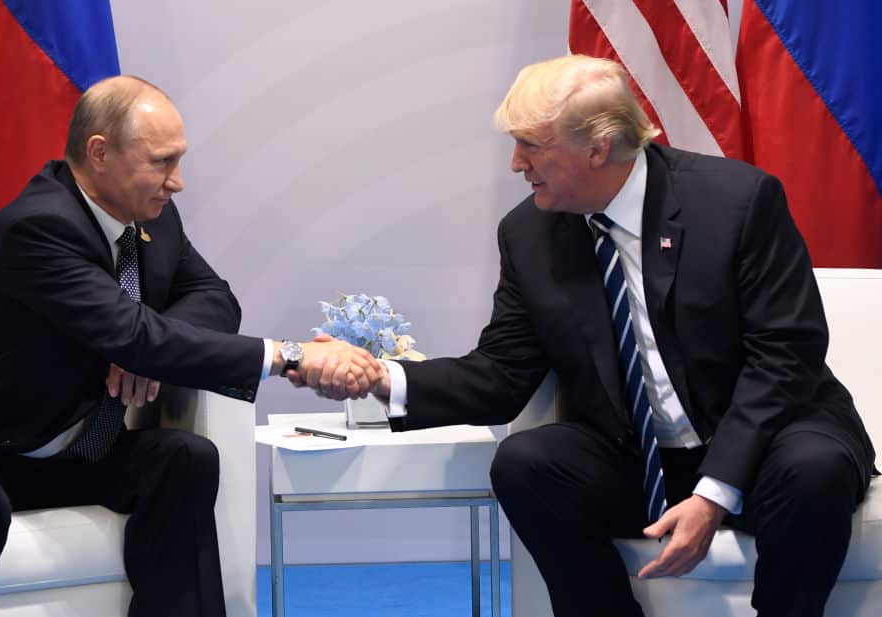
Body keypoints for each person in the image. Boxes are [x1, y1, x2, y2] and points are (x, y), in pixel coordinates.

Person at [304, 55, 875, 616]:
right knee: (527, 462)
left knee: (813, 469)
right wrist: (382, 379)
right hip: (639, 456)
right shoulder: (529, 234)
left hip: (767, 440)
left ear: (598, 148)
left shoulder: (737, 202)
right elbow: (502, 373)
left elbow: (785, 357)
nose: (515, 163)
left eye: (531, 144)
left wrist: (713, 492)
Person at [0, 75, 380, 617]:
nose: (177, 181)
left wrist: (143, 350)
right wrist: (292, 355)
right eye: (162, 161)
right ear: (99, 152)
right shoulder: (38, 226)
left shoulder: (152, 221)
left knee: (186, 456)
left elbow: (215, 299)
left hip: (81, 453)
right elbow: (137, 335)